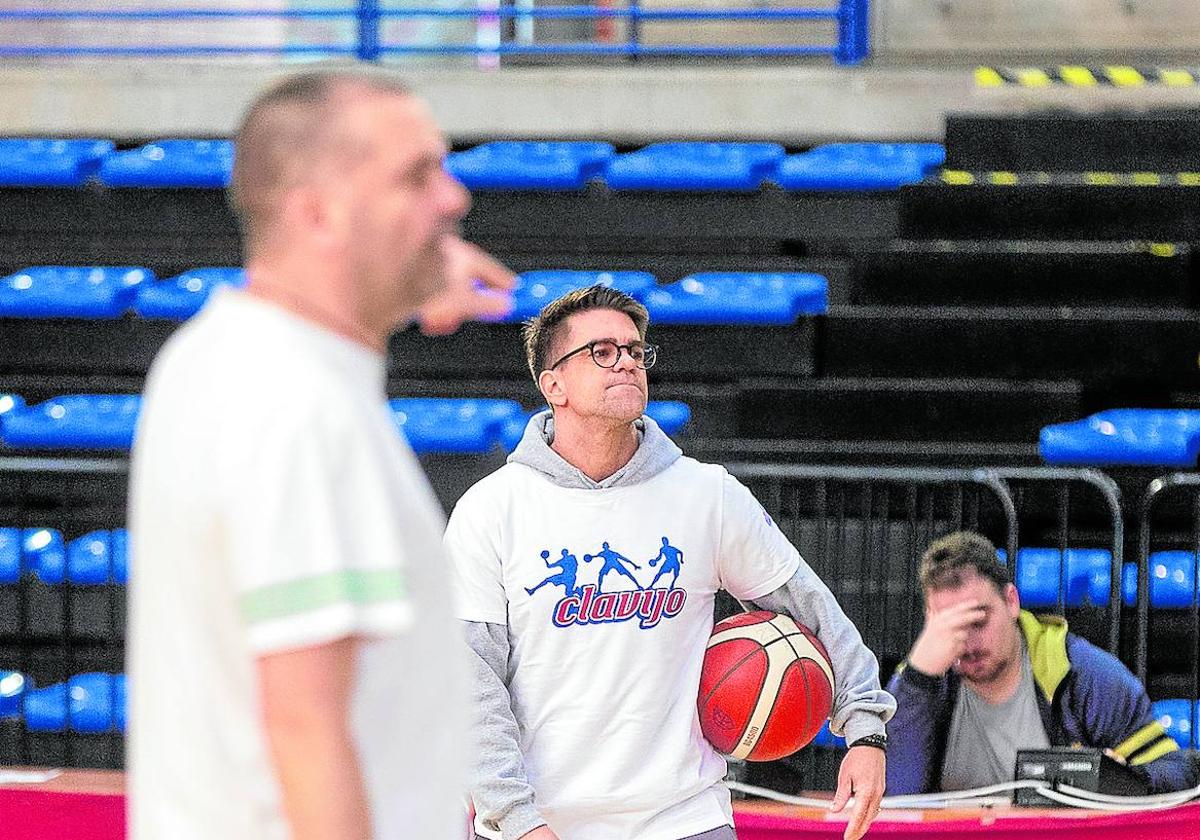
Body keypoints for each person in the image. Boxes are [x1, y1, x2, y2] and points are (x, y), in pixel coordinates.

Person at [127, 70, 515, 840]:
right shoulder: (296, 407)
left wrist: (407, 279)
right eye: (417, 176)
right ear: (317, 213)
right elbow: (303, 732)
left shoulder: (216, 356)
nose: (453, 197)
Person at [444, 286, 895, 840]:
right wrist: (517, 822)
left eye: (635, 351)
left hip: (685, 820)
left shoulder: (707, 495)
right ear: (552, 384)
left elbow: (812, 609)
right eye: (602, 352)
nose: (627, 363)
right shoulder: (491, 509)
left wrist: (865, 728)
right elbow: (468, 684)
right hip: (538, 827)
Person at [886, 531, 1197, 795]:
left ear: (1011, 601)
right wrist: (917, 680)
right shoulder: (918, 685)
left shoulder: (1084, 674)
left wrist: (1121, 779)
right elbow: (892, 796)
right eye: (949, 625)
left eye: (978, 620)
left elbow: (1176, 774)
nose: (966, 641)